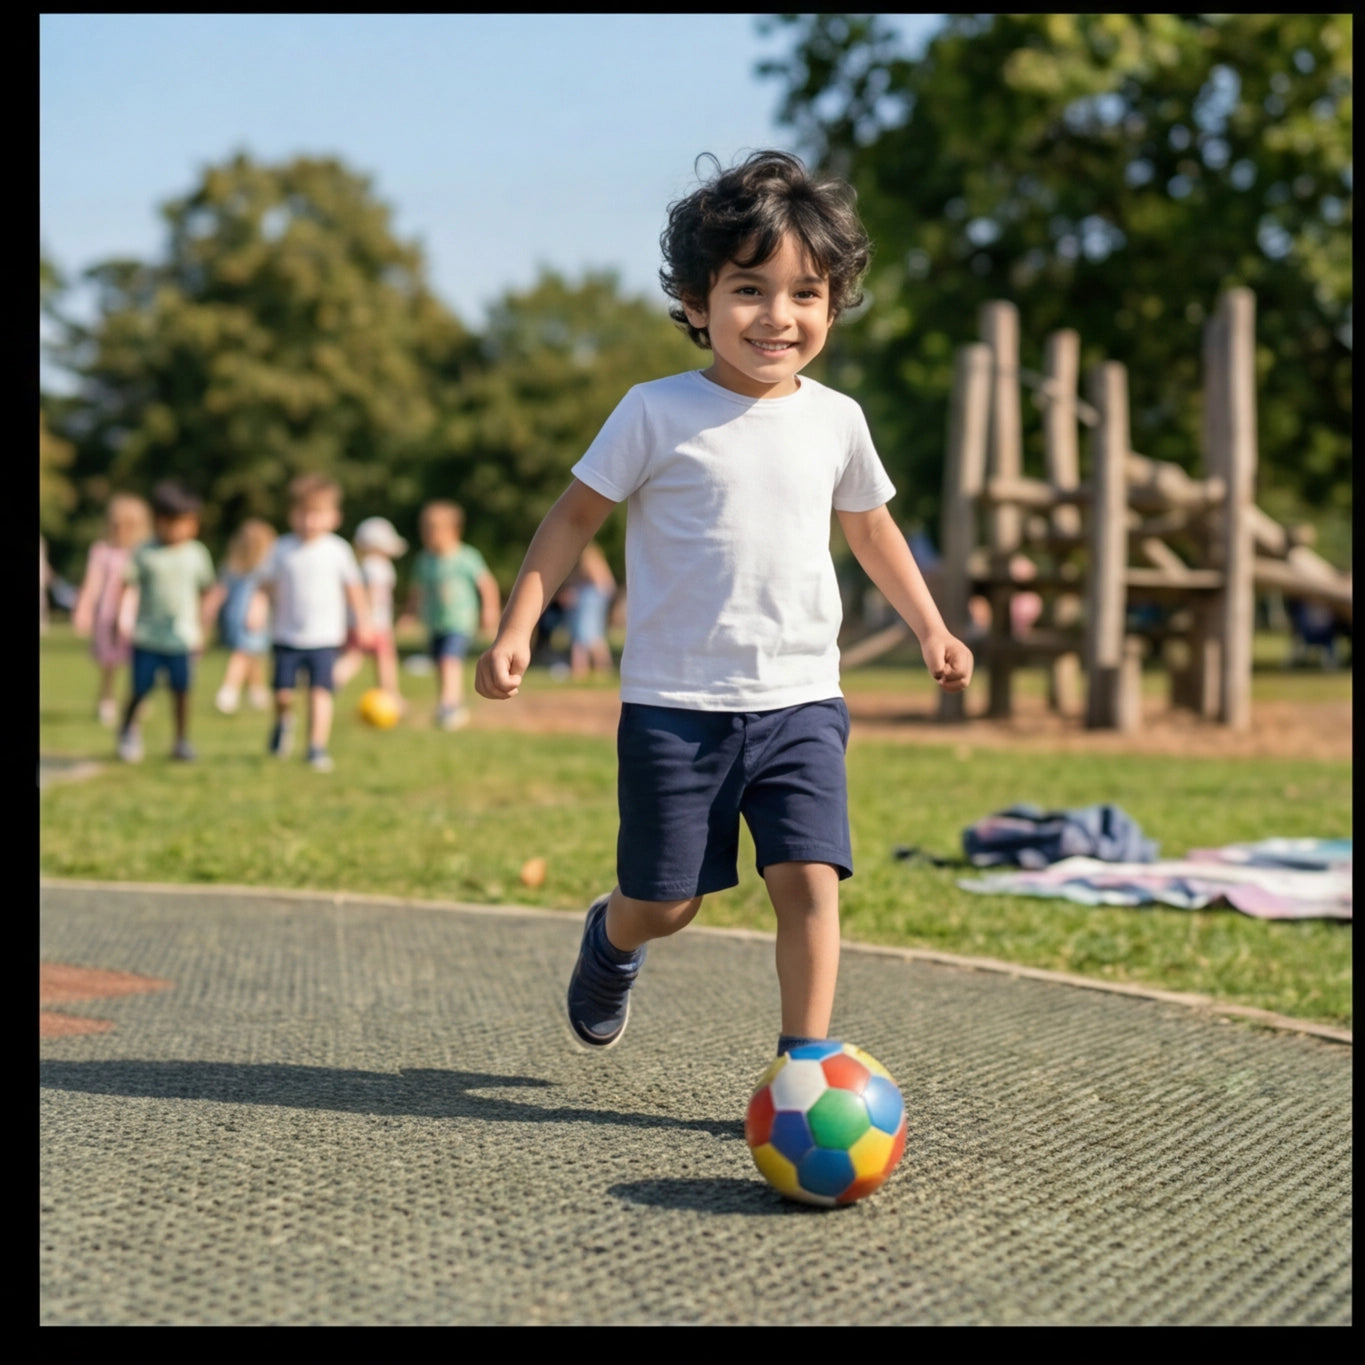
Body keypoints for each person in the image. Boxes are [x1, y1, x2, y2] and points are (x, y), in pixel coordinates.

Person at [475, 150, 973, 1059]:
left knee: (810, 884)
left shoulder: (837, 420)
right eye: (748, 289)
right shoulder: (652, 413)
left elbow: (871, 533)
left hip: (801, 703)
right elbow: (571, 517)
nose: (777, 316)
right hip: (676, 708)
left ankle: (805, 1065)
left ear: (833, 305)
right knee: (668, 902)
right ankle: (611, 938)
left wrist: (930, 625)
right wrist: (516, 626)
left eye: (806, 293)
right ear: (697, 303)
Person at [251, 474, 374, 773]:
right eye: (303, 514)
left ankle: (316, 748)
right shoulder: (281, 549)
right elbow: (264, 587)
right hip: (286, 636)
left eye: (317, 514)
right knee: (283, 694)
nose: (309, 521)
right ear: (292, 514)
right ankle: (283, 722)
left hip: (325, 638)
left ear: (334, 517)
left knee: (320, 691)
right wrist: (255, 609)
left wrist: (364, 621)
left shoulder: (338, 550)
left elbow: (354, 590)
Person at [113, 481, 215, 762]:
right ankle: (128, 730)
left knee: (181, 691)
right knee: (140, 688)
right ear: (159, 521)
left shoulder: (196, 554)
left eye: (185, 523)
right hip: (147, 636)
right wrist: (120, 618)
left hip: (181, 638)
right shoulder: (145, 552)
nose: (177, 530)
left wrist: (203, 626)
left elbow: (207, 591)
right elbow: (127, 585)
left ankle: (181, 741)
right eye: (171, 523)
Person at [403, 500, 500, 730]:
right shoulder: (424, 560)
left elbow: (487, 585)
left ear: (453, 531)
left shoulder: (466, 557)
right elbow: (417, 591)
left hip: (460, 621)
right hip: (435, 622)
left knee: (449, 660)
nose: (428, 536)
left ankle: (450, 706)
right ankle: (448, 701)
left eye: (433, 531)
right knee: (440, 662)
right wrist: (409, 613)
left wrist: (490, 610)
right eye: (425, 531)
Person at [71, 492, 152, 725]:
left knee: (138, 660)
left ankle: (137, 699)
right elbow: (91, 583)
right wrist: (83, 609)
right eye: (116, 525)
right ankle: (106, 698)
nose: (121, 530)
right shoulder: (102, 551)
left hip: (137, 613)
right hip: (108, 613)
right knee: (109, 660)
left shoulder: (143, 552)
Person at [204, 517, 277, 714]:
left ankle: (257, 691)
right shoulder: (258, 569)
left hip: (238, 618)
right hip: (252, 619)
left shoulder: (233, 567)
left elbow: (219, 592)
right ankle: (228, 691)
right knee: (243, 654)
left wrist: (208, 612)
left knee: (250, 655)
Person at [333, 515, 408, 706]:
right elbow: (373, 593)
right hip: (376, 623)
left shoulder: (362, 565)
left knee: (354, 656)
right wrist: (368, 619)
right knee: (385, 659)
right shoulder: (379, 566)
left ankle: (333, 677)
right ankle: (391, 695)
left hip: (358, 621)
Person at [566, 542, 617, 680]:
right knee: (594, 637)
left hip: (589, 602)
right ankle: (601, 670)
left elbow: (600, 582)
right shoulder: (595, 559)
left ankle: (580, 671)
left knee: (583, 637)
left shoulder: (589, 559)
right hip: (593, 602)